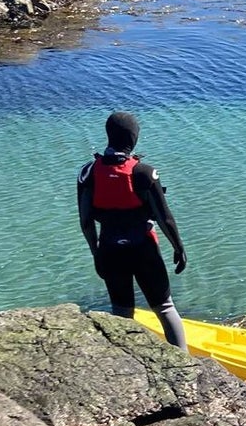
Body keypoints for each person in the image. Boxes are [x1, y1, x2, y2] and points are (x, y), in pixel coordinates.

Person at [77, 112, 188, 349]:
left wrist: (96, 252)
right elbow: (164, 217)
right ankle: (186, 367)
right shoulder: (144, 173)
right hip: (144, 248)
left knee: (121, 312)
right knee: (165, 308)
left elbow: (86, 221)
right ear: (132, 138)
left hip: (109, 249)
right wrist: (179, 248)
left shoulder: (88, 173)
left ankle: (125, 367)